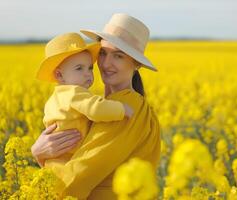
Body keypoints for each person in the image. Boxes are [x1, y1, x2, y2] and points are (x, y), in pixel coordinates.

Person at [31, 13, 161, 199]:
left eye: (118, 56)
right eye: (103, 53)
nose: (106, 63)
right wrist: (41, 155)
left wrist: (39, 161)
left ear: (137, 63)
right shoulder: (105, 107)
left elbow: (77, 178)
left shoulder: (125, 108)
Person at [36, 32, 133, 167]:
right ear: (59, 75)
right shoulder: (74, 93)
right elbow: (96, 109)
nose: (87, 73)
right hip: (69, 162)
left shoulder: (55, 99)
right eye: (79, 68)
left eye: (90, 67)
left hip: (54, 162)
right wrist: (122, 109)